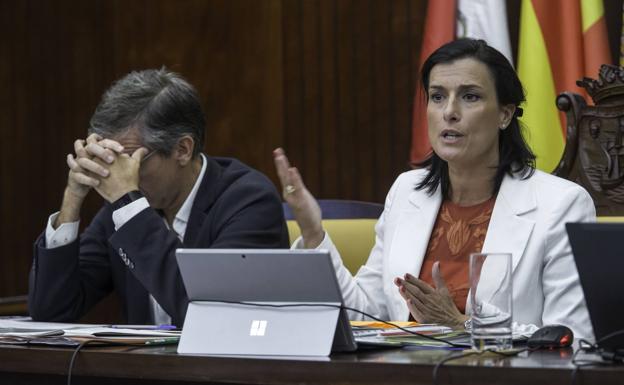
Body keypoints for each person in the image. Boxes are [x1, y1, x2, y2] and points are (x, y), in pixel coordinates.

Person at [274, 39, 595, 340]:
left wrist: (461, 325)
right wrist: (313, 230)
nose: (449, 112)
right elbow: (366, 312)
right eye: (438, 96)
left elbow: (567, 338)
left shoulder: (561, 204)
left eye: (470, 96)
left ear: (504, 114)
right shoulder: (406, 191)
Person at [29, 68, 289, 327]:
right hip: (144, 367)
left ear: (182, 150)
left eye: (131, 161)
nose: (118, 176)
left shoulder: (249, 201)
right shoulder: (122, 209)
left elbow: (211, 315)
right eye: (107, 160)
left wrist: (128, 204)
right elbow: (51, 310)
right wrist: (72, 198)